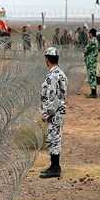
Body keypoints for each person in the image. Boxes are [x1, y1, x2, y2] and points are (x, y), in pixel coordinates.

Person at [39, 47, 68, 179]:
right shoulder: (61, 73)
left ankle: (55, 167)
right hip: (59, 111)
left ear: (47, 59)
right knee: (54, 137)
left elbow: (52, 99)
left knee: (54, 138)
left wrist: (46, 114)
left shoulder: (52, 76)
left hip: (54, 112)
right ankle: (53, 166)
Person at [83, 28, 99, 98]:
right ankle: (93, 92)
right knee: (91, 76)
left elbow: (86, 50)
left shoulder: (93, 41)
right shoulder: (94, 41)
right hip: (91, 61)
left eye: (89, 33)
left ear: (91, 33)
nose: (88, 34)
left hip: (91, 61)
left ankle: (94, 93)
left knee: (91, 76)